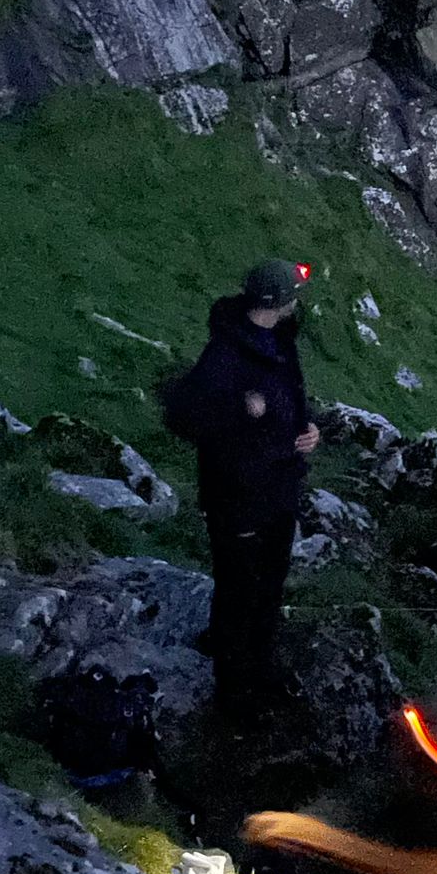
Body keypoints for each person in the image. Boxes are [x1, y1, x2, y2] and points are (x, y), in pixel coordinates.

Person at [163, 260, 320, 719]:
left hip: (279, 488)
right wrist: (239, 408)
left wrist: (309, 429)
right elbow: (184, 416)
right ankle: (235, 696)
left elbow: (290, 399)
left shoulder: (281, 341)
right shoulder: (224, 356)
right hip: (239, 498)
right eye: (294, 292)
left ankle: (260, 666)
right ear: (276, 303)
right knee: (239, 591)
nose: (299, 300)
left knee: (269, 585)